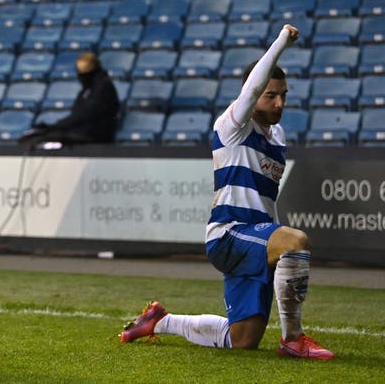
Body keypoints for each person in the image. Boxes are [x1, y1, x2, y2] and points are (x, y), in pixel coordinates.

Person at [120, 25, 335, 360]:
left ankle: (160, 321)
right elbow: (249, 93)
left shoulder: (277, 138)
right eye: (270, 95)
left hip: (256, 238)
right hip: (230, 234)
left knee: (242, 340)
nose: (279, 102)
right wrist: (280, 43)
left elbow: (267, 200)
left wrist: (277, 248)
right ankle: (293, 340)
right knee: (297, 240)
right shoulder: (233, 125)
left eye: (284, 96)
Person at [20, 52, 120, 150]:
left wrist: (56, 127)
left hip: (96, 135)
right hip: (82, 131)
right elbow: (78, 114)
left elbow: (86, 114)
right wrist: (51, 128)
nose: (81, 77)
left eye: (84, 73)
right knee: (34, 136)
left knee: (47, 138)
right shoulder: (87, 90)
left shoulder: (103, 88)